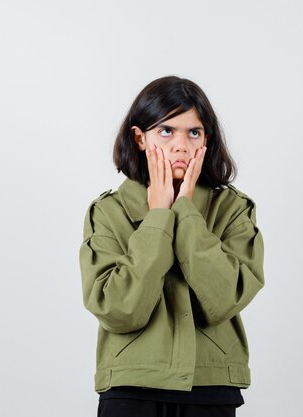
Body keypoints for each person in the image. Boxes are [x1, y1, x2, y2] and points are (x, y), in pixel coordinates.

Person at [78, 75, 265, 417]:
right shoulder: (108, 212)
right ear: (139, 137)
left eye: (194, 132)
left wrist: (185, 211)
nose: (181, 145)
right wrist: (159, 216)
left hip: (210, 387)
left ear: (206, 139)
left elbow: (224, 299)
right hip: (132, 388)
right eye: (166, 131)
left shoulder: (233, 209)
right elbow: (118, 309)